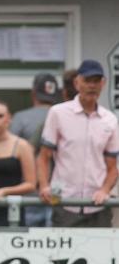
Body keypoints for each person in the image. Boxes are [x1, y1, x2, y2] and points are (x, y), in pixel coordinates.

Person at [38, 60, 119, 228]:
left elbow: (113, 167)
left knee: (99, 253)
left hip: (98, 205)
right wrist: (44, 186)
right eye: (87, 80)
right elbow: (43, 156)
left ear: (103, 84)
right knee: (60, 253)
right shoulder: (58, 113)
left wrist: (105, 190)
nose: (92, 86)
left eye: (96, 81)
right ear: (77, 83)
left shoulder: (110, 119)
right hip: (62, 201)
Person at [11, 72, 60, 227]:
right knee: (55, 242)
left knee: (29, 244)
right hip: (58, 191)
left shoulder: (20, 118)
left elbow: (11, 154)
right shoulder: (64, 116)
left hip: (29, 191)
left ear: (33, 93)